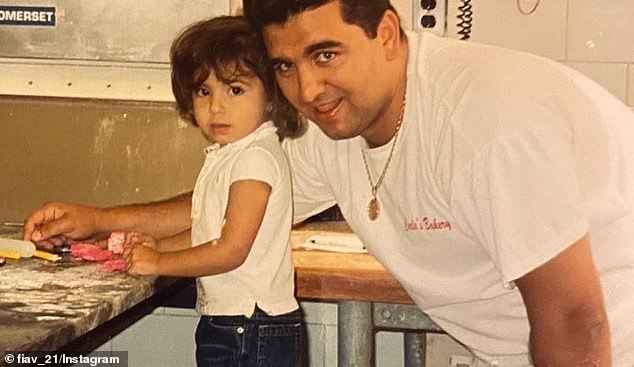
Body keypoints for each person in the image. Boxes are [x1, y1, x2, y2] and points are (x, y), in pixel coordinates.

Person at [22, 1, 634, 366]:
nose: (308, 91)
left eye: (326, 55)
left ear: (388, 34)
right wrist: (103, 219)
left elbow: (578, 323)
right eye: (285, 66)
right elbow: (227, 206)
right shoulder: (333, 126)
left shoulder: (489, 119)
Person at [52, 16, 304, 367]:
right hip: (234, 322)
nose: (216, 106)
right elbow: (208, 231)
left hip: (253, 326)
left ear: (272, 96)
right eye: (204, 91)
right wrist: (159, 245)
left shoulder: (256, 159)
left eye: (234, 90)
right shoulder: (231, 154)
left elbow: (230, 250)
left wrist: (160, 261)